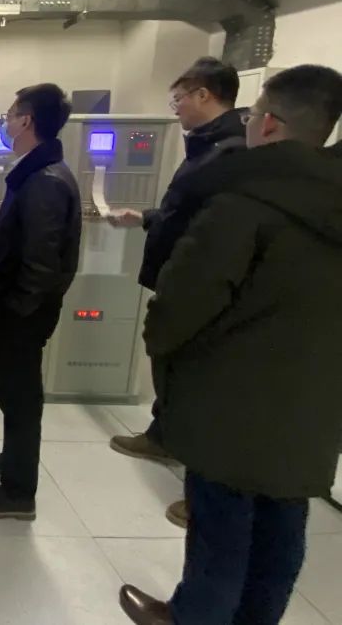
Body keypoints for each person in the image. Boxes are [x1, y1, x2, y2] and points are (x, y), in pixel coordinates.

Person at [119, 64, 342, 625]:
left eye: (252, 114)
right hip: (314, 406)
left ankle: (191, 617)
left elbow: (182, 305)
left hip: (231, 404)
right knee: (282, 525)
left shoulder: (243, 202)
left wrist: (166, 355)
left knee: (220, 530)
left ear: (268, 125)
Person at [107, 57, 245, 529]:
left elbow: (213, 231)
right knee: (172, 369)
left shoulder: (229, 153)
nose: (177, 107)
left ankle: (206, 495)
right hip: (178, 277)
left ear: (204, 94)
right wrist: (145, 218)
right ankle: (163, 435)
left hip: (199, 286)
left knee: (199, 383)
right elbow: (184, 213)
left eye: (179, 98)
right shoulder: (206, 147)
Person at [0, 83, 82, 520]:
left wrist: (16, 310)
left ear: (27, 121)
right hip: (23, 310)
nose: (6, 121)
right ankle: (13, 460)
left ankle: (18, 492)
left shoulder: (45, 181)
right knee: (14, 395)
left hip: (24, 314)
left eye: (11, 114)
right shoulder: (40, 172)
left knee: (21, 397)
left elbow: (40, 262)